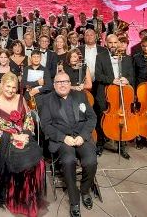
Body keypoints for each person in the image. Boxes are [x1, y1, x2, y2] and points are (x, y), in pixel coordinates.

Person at [40, 72, 97, 217]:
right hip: (62, 140)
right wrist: (63, 138)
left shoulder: (80, 95)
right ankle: (74, 200)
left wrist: (83, 136)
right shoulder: (46, 100)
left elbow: (92, 117)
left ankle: (84, 190)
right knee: (68, 161)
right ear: (54, 85)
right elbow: (46, 125)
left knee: (90, 161)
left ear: (70, 83)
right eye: (59, 82)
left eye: (65, 81)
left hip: (81, 137)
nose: (62, 84)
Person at [0, 72, 45, 217]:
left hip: (23, 136)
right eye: (8, 86)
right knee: (20, 161)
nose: (11, 90)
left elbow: (28, 120)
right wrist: (13, 137)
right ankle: (16, 201)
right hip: (4, 141)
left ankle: (29, 200)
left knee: (37, 161)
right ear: (2, 85)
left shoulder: (20, 98)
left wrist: (25, 134)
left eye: (14, 87)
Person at [94, 34, 134, 158]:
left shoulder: (127, 58)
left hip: (122, 93)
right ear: (106, 43)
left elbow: (132, 76)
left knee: (121, 118)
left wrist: (127, 80)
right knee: (102, 118)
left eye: (115, 42)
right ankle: (100, 144)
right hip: (105, 93)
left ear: (118, 43)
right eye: (110, 43)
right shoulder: (100, 57)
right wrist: (112, 80)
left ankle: (121, 146)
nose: (113, 45)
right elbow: (98, 75)